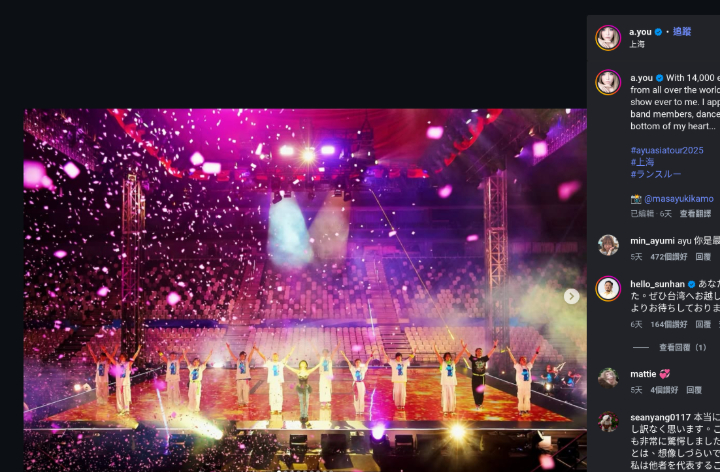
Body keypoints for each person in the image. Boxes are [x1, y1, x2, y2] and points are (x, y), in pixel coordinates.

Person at [254, 345, 295, 414]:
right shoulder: (270, 363)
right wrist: (257, 351)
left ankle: (279, 409)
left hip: (278, 382)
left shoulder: (281, 363)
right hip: (272, 382)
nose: (275, 357)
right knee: (272, 395)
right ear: (272, 357)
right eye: (274, 356)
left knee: (279, 395)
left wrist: (291, 350)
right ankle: (273, 409)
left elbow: (287, 357)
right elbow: (263, 357)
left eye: (276, 356)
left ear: (278, 357)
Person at [103, 344, 141, 415]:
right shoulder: (117, 364)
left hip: (125, 384)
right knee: (119, 398)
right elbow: (111, 358)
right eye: (120, 356)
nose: (121, 358)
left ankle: (126, 409)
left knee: (125, 398)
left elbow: (134, 357)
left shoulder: (128, 364)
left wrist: (138, 350)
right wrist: (105, 351)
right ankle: (120, 409)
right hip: (119, 384)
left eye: (122, 356)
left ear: (125, 357)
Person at [433, 340, 469, 415]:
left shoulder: (453, 363)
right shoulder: (443, 363)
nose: (447, 357)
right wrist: (434, 347)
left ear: (450, 357)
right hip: (445, 382)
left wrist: (463, 349)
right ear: (444, 357)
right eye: (446, 356)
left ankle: (452, 410)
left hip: (452, 382)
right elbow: (438, 355)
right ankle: (445, 410)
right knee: (445, 396)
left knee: (452, 396)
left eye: (449, 356)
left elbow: (458, 356)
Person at [465, 340, 498, 411]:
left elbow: (490, 353)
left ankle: (480, 403)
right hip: (475, 377)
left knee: (481, 391)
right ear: (476, 352)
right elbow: (468, 353)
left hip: (482, 377)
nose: (479, 352)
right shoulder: (474, 358)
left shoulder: (484, 359)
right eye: (478, 351)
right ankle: (476, 404)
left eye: (481, 351)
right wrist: (464, 347)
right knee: (475, 390)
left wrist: (494, 346)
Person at [341, 349, 376, 416]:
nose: (358, 363)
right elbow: (348, 362)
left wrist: (371, 355)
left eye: (359, 362)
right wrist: (344, 355)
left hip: (361, 384)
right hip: (355, 383)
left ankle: (361, 411)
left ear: (360, 363)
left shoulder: (363, 369)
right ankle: (357, 411)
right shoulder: (353, 369)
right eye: (357, 362)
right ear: (355, 363)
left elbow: (367, 362)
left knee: (361, 397)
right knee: (356, 397)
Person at [507, 346, 539, 415]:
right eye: (522, 359)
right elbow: (513, 359)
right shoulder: (518, 367)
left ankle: (526, 410)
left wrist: (536, 352)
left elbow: (533, 359)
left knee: (527, 398)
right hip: (521, 385)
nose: (524, 360)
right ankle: (521, 410)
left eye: (524, 359)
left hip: (527, 384)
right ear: (520, 361)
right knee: (520, 397)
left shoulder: (528, 366)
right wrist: (509, 351)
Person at [382, 346, 415, 410]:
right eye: (397, 357)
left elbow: (410, 358)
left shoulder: (404, 363)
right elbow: (387, 358)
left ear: (401, 357)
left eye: (400, 357)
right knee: (397, 393)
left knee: (402, 393)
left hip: (402, 381)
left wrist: (414, 352)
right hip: (396, 381)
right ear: (396, 357)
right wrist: (383, 351)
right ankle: (397, 405)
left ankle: (402, 405)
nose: (399, 358)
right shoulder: (393, 363)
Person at [181, 348, 213, 413]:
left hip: (197, 384)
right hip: (191, 384)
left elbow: (205, 361)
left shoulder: (200, 368)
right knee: (190, 395)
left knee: (197, 396)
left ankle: (196, 409)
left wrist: (209, 355)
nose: (195, 363)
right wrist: (184, 353)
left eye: (196, 362)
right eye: (194, 362)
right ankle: (190, 408)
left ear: (198, 363)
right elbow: (186, 360)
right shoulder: (191, 367)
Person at [311, 341, 340, 409]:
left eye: (326, 352)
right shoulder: (321, 358)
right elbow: (316, 352)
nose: (325, 353)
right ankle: (323, 402)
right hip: (322, 375)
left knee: (328, 388)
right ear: (322, 353)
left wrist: (338, 345)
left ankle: (328, 401)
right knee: (322, 387)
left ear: (327, 353)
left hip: (328, 375)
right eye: (324, 352)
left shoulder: (329, 358)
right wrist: (311, 343)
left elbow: (334, 352)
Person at [226, 342, 255, 407]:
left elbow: (250, 355)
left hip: (246, 379)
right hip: (239, 379)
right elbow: (232, 355)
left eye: (243, 356)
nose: (242, 357)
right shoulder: (238, 361)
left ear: (245, 356)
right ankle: (240, 402)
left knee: (245, 391)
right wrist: (228, 348)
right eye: (241, 356)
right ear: (240, 356)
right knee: (239, 391)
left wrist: (253, 348)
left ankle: (245, 402)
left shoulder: (247, 361)